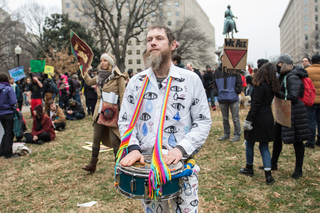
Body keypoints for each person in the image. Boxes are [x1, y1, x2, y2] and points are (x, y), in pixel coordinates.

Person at [118, 25, 211, 213]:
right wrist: (134, 148)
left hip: (182, 166)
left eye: (159, 38)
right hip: (147, 168)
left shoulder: (191, 80)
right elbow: (126, 121)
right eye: (149, 39)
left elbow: (202, 121)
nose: (152, 42)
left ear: (173, 45)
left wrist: (180, 149)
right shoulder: (136, 82)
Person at [82, 53, 127, 173]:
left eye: (105, 61)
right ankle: (92, 164)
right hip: (99, 110)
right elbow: (89, 82)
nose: (102, 63)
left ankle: (119, 166)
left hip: (113, 113)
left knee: (114, 140)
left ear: (110, 63)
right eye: (101, 60)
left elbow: (122, 96)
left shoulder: (119, 78)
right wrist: (83, 70)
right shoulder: (99, 77)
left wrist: (122, 113)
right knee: (96, 138)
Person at [239, 63, 280, 185]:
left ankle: (249, 168)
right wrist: (246, 74)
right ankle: (268, 175)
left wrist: (248, 120)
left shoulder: (259, 85)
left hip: (257, 119)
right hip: (268, 118)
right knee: (264, 146)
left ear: (261, 72)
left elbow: (255, 105)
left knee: (250, 143)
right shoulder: (272, 85)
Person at [271, 54, 310, 179]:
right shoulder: (283, 76)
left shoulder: (293, 77)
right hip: (284, 110)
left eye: (279, 64)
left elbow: (293, 97)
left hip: (295, 113)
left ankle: (298, 169)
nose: (278, 66)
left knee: (297, 141)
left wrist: (278, 92)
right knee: (277, 138)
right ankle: (273, 163)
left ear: (284, 64)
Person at [213, 52, 242, 142]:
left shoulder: (234, 69)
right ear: (221, 58)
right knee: (225, 118)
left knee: (235, 118)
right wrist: (216, 92)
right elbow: (214, 83)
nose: (224, 58)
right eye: (223, 57)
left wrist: (237, 90)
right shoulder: (217, 71)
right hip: (222, 98)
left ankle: (237, 134)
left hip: (233, 97)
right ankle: (226, 133)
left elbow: (239, 81)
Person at [0, 73, 18, 159]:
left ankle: (2, 151)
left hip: (1, 113)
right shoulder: (8, 89)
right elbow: (13, 101)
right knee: (9, 133)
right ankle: (8, 153)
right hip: (8, 112)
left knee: (6, 132)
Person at [305, 54, 320, 148]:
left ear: (311, 62)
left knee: (311, 121)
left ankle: (310, 141)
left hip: (311, 99)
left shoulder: (307, 71)